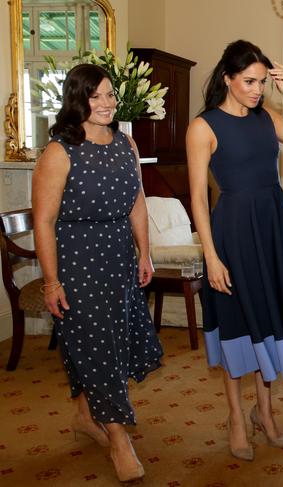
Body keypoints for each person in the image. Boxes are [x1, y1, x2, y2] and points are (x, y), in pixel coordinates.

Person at [186, 40, 283, 462]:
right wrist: (210, 255)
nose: (257, 89)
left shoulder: (268, 117)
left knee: (271, 321)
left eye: (262, 82)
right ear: (227, 77)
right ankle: (236, 419)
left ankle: (264, 412)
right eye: (249, 81)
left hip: (273, 229)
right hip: (233, 235)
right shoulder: (203, 127)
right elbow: (197, 198)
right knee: (237, 324)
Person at [32, 63, 163, 482]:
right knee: (97, 343)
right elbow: (43, 222)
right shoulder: (59, 151)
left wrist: (145, 252)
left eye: (110, 95)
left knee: (114, 341)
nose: (106, 104)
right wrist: (51, 280)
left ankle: (86, 416)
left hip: (120, 258)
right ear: (77, 100)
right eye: (95, 96)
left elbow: (138, 201)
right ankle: (119, 440)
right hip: (78, 260)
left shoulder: (126, 143)